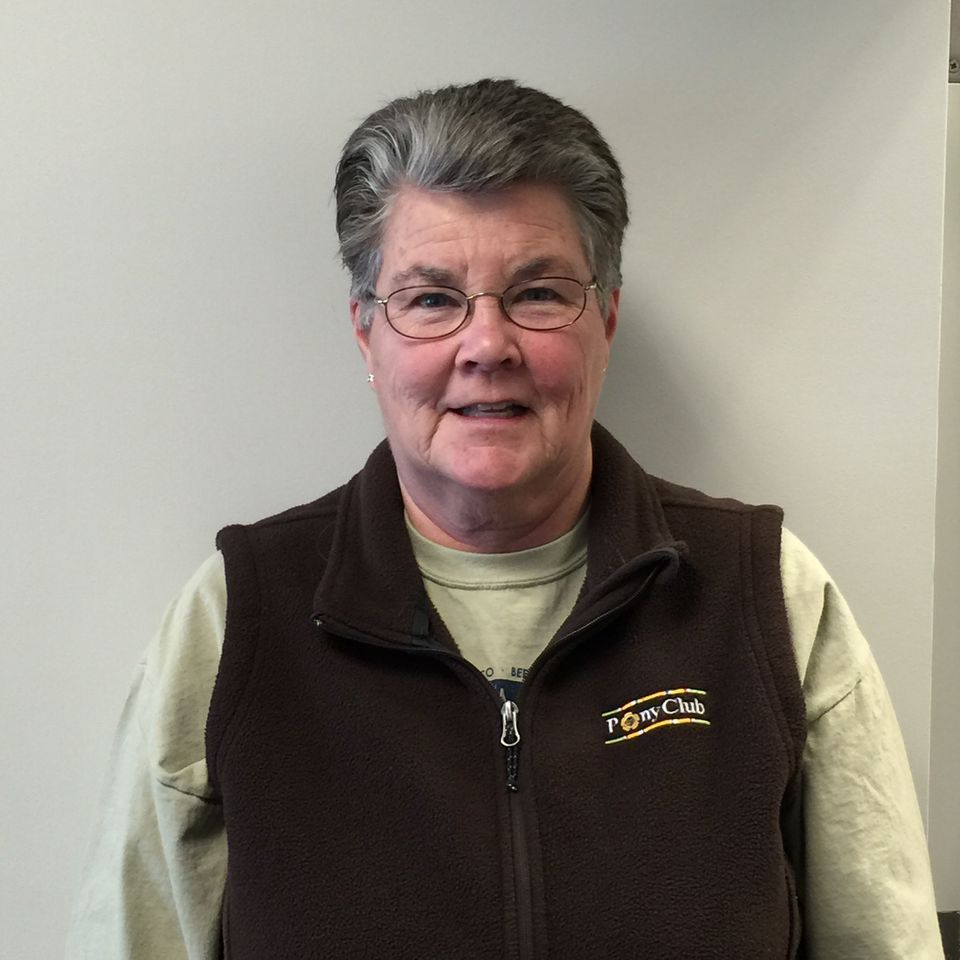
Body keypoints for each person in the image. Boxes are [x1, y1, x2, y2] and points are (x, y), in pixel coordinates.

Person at [66, 78, 942, 959]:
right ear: (367, 335)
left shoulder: (767, 600)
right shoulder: (234, 625)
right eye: (432, 299)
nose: (487, 346)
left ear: (605, 315)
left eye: (537, 292)